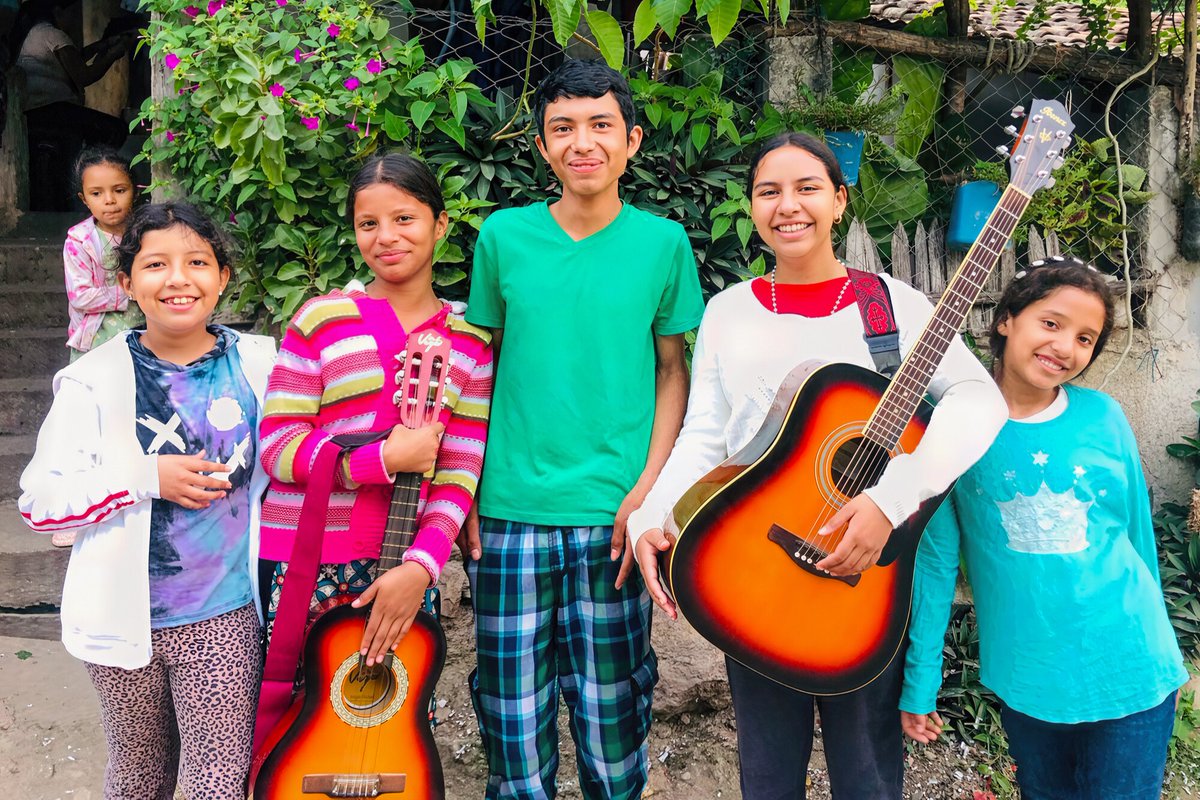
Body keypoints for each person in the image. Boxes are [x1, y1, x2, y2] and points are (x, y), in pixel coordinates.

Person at [627, 132, 1008, 799]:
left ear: (840, 201)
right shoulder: (728, 311)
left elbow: (981, 402)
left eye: (807, 188)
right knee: (768, 774)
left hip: (865, 576)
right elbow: (707, 434)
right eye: (768, 192)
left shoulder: (892, 304)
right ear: (751, 208)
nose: (788, 206)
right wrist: (652, 514)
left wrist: (893, 498)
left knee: (867, 773)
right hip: (754, 568)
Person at [463, 59, 705, 799]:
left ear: (631, 141)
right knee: (512, 711)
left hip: (615, 517)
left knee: (612, 707)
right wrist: (463, 486)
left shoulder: (663, 245)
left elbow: (673, 372)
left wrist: (648, 491)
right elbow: (481, 366)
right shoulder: (504, 237)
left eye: (601, 126)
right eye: (563, 128)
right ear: (541, 145)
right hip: (508, 511)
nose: (582, 142)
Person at [899, 256, 1188, 800]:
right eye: (1051, 323)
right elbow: (935, 563)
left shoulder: (1104, 416)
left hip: (1132, 666)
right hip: (1028, 676)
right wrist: (921, 684)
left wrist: (1166, 649)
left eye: (1085, 338)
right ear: (1007, 319)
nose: (1064, 347)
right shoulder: (950, 428)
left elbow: (1135, 540)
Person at [18, 201, 277, 798]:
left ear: (223, 277)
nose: (178, 279)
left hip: (225, 614)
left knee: (216, 780)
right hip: (119, 620)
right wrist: (143, 477)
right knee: (138, 775)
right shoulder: (94, 379)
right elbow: (40, 501)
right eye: (156, 264)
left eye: (197, 262)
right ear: (127, 281)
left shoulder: (263, 365)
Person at [257, 152, 492, 668]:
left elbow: (459, 472)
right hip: (305, 555)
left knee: (393, 726)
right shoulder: (323, 319)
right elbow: (276, 446)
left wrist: (423, 567)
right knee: (299, 721)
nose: (386, 236)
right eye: (369, 223)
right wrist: (379, 460)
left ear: (441, 225)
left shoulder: (471, 342)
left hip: (403, 571)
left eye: (404, 218)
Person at [50, 146, 143, 547]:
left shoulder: (144, 234)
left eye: (119, 189)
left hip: (139, 343)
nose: (109, 200)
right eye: (97, 193)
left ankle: (126, 502)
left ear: (134, 191)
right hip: (93, 348)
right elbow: (81, 297)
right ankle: (72, 514)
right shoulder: (79, 240)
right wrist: (131, 293)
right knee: (86, 426)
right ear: (83, 198)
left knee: (131, 421)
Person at [14, 0, 132, 209]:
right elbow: (83, 75)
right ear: (57, 11)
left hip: (37, 112)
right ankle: (89, 173)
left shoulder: (36, 33)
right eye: (69, 14)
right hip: (53, 110)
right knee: (115, 129)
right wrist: (113, 54)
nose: (72, 20)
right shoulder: (52, 34)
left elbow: (73, 59)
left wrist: (101, 46)